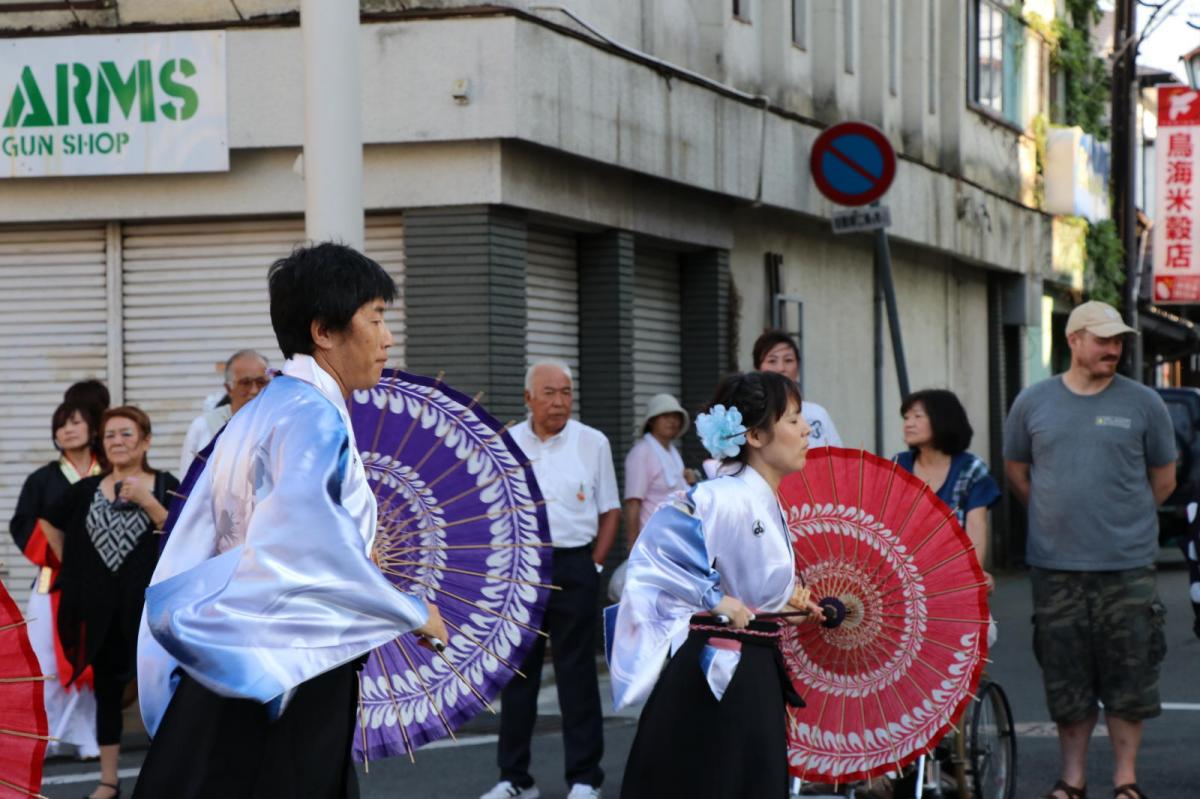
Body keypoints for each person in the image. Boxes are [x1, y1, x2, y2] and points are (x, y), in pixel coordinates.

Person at [132, 243, 446, 799]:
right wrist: (413, 611)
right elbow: (308, 543)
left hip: (238, 652)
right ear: (324, 331)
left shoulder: (263, 409)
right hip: (291, 660)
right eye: (375, 318)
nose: (387, 337)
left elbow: (216, 537)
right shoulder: (311, 415)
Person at [611, 371, 823, 799]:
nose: (806, 430)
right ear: (756, 436)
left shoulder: (761, 496)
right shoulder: (722, 496)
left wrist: (783, 606)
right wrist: (714, 598)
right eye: (793, 419)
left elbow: (745, 588)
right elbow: (653, 561)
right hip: (718, 671)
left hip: (753, 665)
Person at [1004, 301, 1176, 799]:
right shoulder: (1033, 402)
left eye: (1118, 340)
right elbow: (1018, 472)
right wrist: (1056, 516)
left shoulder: (1144, 404)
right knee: (1066, 679)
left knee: (1131, 676)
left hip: (1127, 567)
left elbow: (1163, 481)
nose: (1113, 349)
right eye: (1102, 340)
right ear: (1073, 340)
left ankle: (1126, 780)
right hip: (1055, 568)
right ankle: (1072, 779)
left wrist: (1121, 520)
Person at [481, 361, 620, 799]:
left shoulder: (592, 442)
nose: (559, 401)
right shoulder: (505, 443)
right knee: (516, 677)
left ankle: (584, 778)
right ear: (528, 399)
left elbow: (610, 509)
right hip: (521, 569)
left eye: (566, 392)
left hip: (575, 565)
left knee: (576, 674)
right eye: (549, 393)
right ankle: (514, 779)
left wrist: (595, 564)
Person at [38, 406, 177, 799]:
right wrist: (74, 565)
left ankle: (167, 775)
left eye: (127, 434)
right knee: (106, 693)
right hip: (100, 610)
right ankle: (108, 780)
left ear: (145, 441)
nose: (117, 441)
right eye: (110, 435)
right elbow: (48, 520)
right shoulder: (85, 490)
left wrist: (149, 502)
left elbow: (182, 534)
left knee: (161, 690)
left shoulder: (165, 483)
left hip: (152, 610)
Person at [8, 399, 103, 761]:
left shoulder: (108, 471)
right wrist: (58, 554)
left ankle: (88, 737)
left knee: (92, 663)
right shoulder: (42, 480)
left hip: (98, 585)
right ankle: (47, 735)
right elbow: (22, 525)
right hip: (52, 584)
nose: (68, 429)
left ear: (92, 429)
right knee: (45, 662)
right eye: (61, 425)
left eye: (76, 422)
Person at [894, 389, 1000, 594]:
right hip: (903, 574)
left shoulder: (971, 468)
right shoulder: (899, 465)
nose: (908, 423)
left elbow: (976, 526)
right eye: (906, 417)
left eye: (917, 416)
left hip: (953, 575)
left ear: (942, 419)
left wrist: (973, 574)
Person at [178, 349, 270, 476]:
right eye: (245, 383)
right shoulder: (204, 426)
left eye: (261, 382)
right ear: (228, 388)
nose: (254, 390)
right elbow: (187, 485)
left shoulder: (280, 423)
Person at [753, 329, 841, 448]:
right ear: (757, 369)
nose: (781, 368)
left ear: (798, 366)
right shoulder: (752, 416)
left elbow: (837, 460)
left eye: (788, 360)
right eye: (772, 361)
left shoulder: (818, 414)